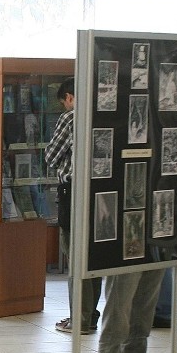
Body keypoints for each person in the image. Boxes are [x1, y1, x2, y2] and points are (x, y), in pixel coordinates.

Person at [45, 77, 102, 335]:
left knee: (74, 255)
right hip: (101, 192)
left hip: (74, 192)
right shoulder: (103, 113)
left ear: (69, 97)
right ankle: (90, 317)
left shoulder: (70, 118)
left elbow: (51, 156)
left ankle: (77, 318)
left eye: (64, 102)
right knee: (94, 257)